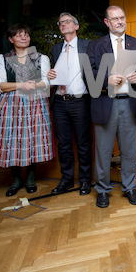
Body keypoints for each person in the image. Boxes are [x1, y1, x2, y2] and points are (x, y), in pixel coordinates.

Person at [87, 5, 136, 208]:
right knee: (103, 151)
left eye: (122, 17)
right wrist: (107, 79)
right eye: (115, 19)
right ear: (107, 22)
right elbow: (88, 76)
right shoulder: (95, 46)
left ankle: (130, 187)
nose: (120, 21)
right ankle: (103, 190)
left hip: (129, 104)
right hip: (105, 103)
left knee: (129, 150)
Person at [0, 24, 53, 196]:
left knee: (33, 138)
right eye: (19, 35)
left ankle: (31, 178)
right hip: (11, 103)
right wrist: (21, 85)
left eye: (26, 35)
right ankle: (16, 179)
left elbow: (46, 83)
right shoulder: (3, 58)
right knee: (12, 140)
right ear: (11, 39)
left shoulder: (41, 58)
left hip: (35, 102)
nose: (24, 37)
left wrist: (34, 84)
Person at [46, 13, 92, 196]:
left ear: (76, 26)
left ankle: (85, 181)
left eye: (67, 21)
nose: (64, 24)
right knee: (63, 144)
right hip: (59, 102)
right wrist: (49, 76)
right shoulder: (56, 48)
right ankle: (66, 179)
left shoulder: (87, 46)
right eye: (61, 22)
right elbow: (54, 73)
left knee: (83, 143)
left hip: (80, 101)